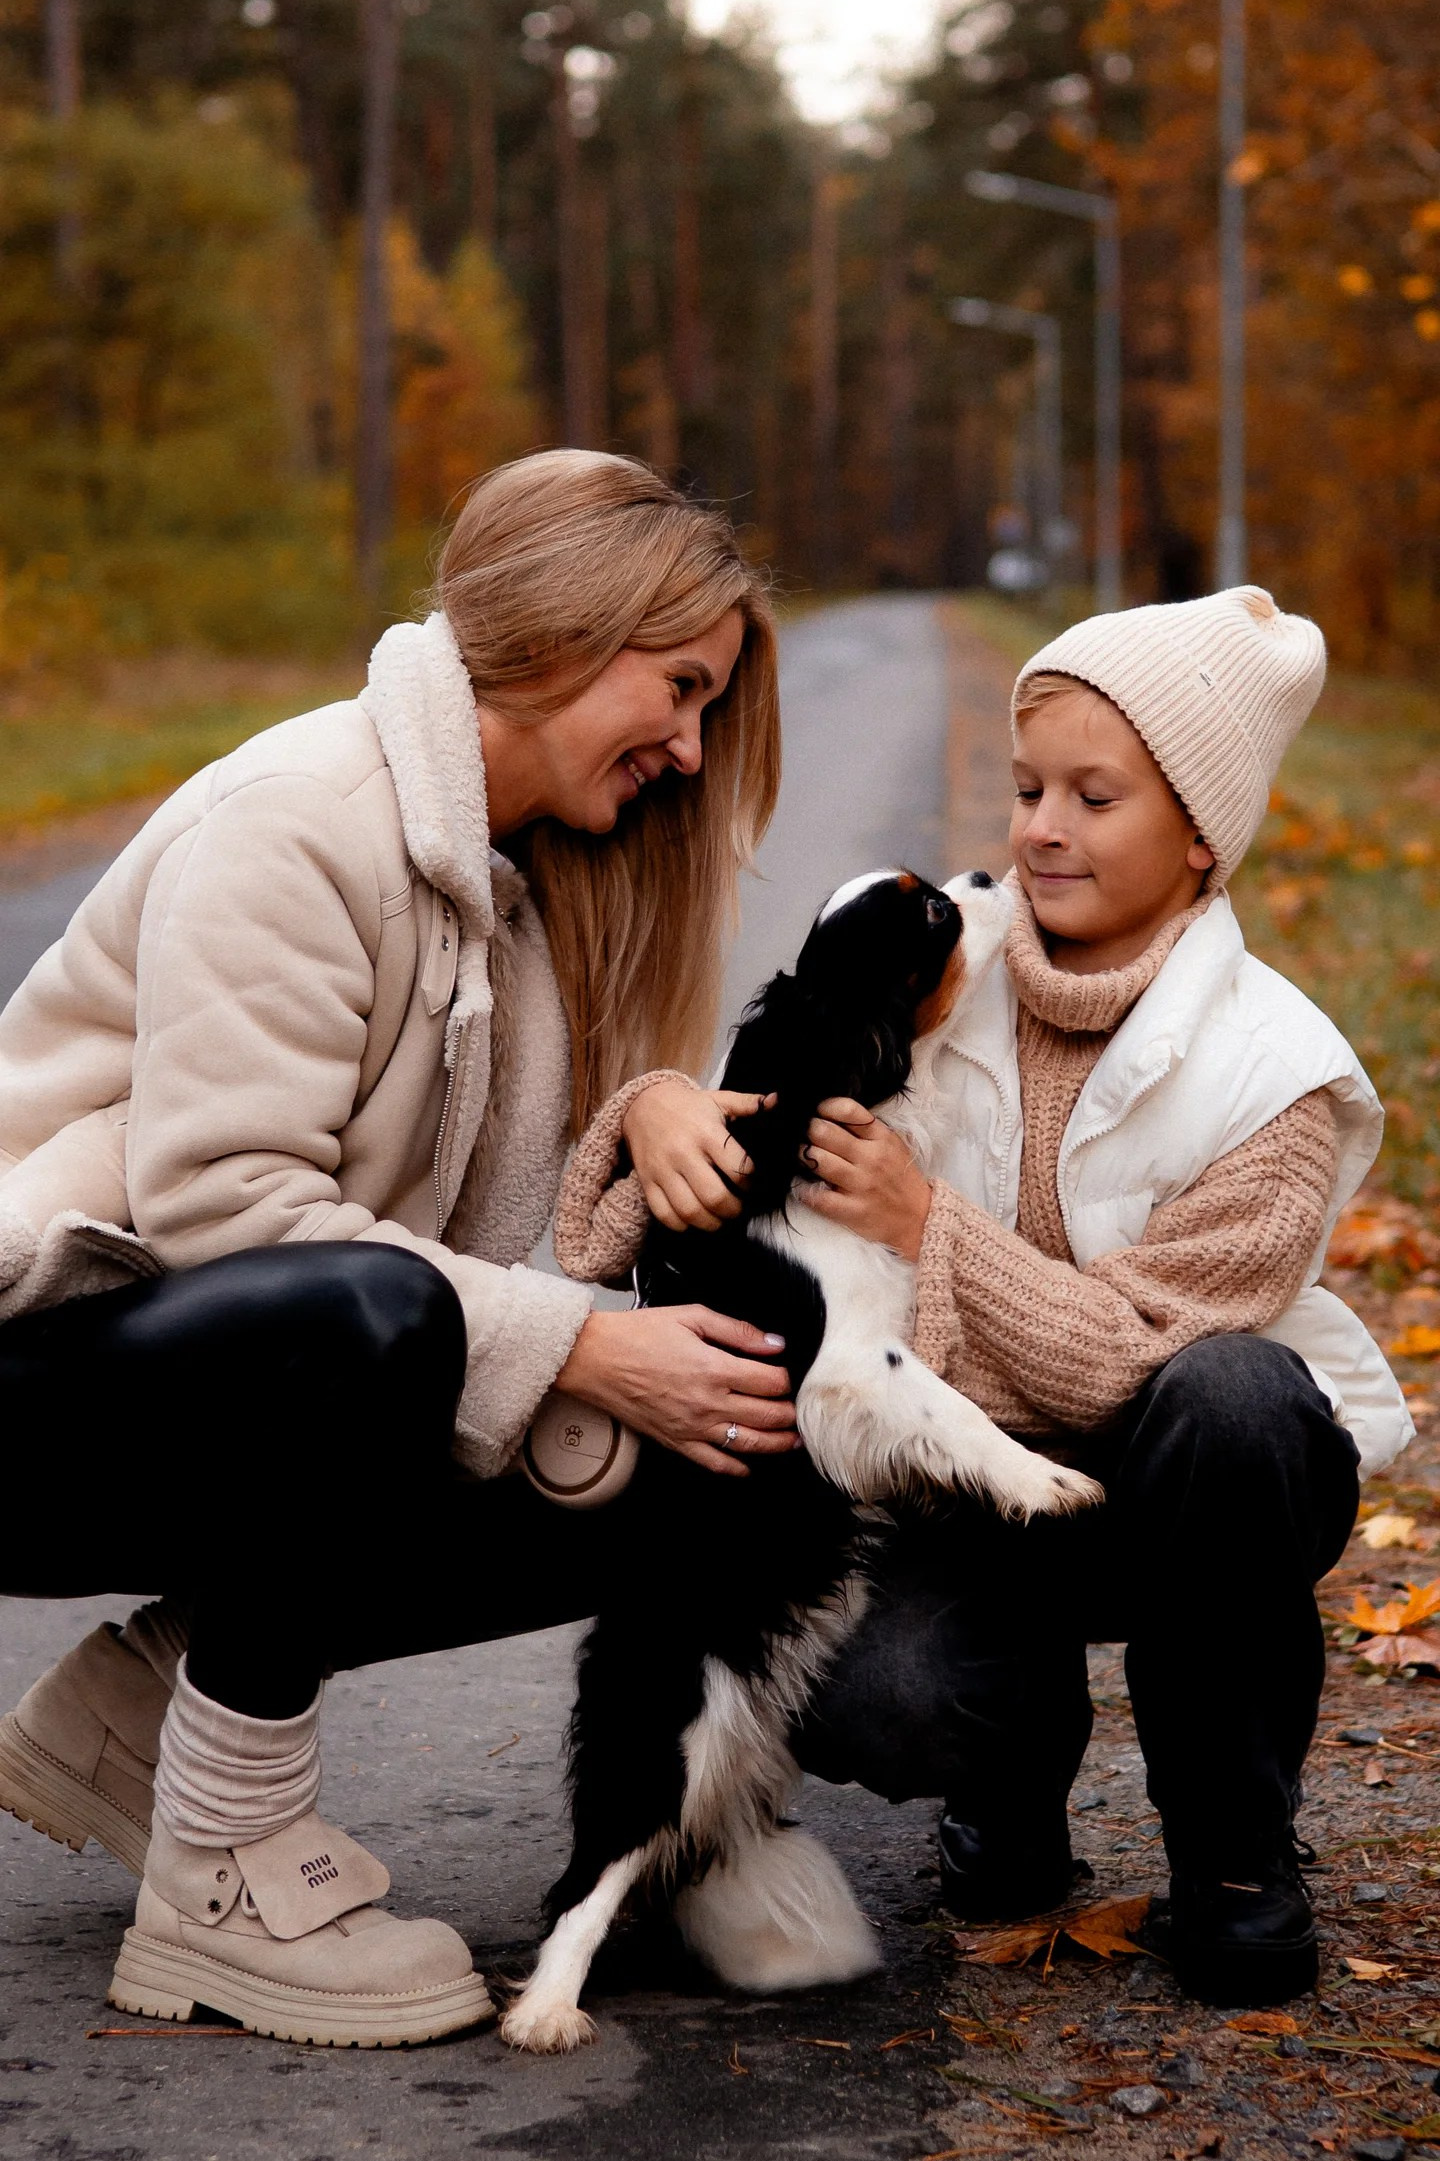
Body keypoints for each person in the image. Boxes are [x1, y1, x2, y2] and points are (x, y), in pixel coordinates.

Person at [0, 449, 805, 2048]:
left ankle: (138, 1707)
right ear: (569, 631)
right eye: (681, 689)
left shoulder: (539, 874)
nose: (691, 747)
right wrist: (577, 1341)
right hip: (42, 1378)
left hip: (226, 1375)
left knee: (681, 1438)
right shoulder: (300, 819)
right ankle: (218, 1876)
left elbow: (515, 1237)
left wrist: (645, 1107)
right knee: (390, 1323)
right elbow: (231, 1217)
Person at [556, 585, 1411, 2009]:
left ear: (1201, 834)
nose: (1041, 828)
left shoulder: (1277, 1076)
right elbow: (730, 1128)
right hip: (962, 1501)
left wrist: (926, 1222)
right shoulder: (941, 965)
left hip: (1184, 1496)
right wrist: (654, 1108)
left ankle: (1236, 1852)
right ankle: (1007, 1786)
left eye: (1096, 794)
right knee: (860, 1682)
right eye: (1027, 789)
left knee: (1241, 1394)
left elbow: (1138, 1354)